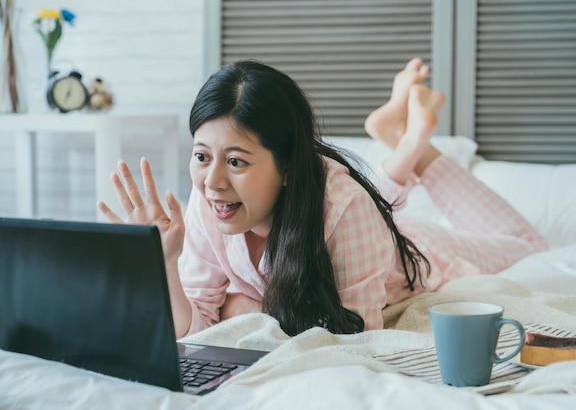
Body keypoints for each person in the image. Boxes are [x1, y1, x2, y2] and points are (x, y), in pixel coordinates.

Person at [98, 58, 548, 338]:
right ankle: (402, 140)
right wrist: (165, 265)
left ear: (288, 166)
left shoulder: (345, 208)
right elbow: (192, 329)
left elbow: (358, 336)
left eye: (236, 161)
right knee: (372, 199)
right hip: (355, 214)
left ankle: (415, 145)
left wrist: (250, 307)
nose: (212, 181)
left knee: (532, 247)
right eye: (201, 156)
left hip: (426, 251)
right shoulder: (206, 204)